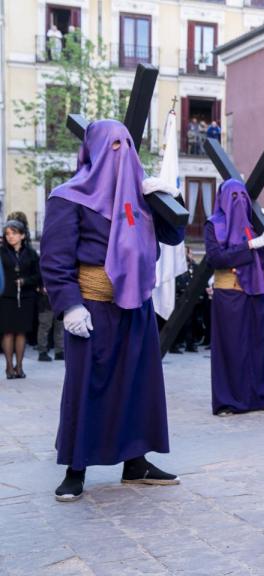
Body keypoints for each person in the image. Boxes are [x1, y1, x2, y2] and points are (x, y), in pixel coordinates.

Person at [41, 119, 184, 501]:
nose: (122, 152)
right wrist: (70, 306)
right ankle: (75, 468)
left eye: (127, 144)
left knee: (138, 387)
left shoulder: (141, 197)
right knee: (86, 387)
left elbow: (174, 235)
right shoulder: (67, 197)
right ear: (95, 149)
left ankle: (135, 461)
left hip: (136, 306)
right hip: (92, 306)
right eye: (113, 145)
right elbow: (55, 260)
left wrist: (168, 200)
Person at [204, 179, 264, 416]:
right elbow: (216, 258)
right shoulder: (213, 225)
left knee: (259, 346)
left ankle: (262, 396)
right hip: (230, 293)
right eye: (233, 196)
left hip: (258, 292)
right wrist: (249, 245)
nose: (239, 201)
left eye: (243, 196)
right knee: (232, 348)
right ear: (222, 199)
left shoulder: (254, 224)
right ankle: (228, 401)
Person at [2, 219, 40, 378]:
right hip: (6, 297)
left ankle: (20, 366)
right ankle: (9, 367)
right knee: (8, 332)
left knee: (21, 332)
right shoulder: (1, 252)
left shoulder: (31, 254)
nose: (10, 237)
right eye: (7, 234)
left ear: (23, 235)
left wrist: (25, 281)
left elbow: (38, 275)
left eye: (14, 233)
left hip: (26, 297)